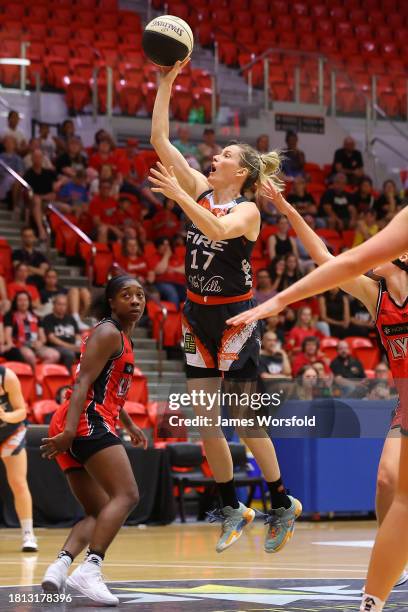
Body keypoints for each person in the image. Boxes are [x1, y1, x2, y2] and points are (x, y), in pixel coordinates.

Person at [226, 184, 408, 611]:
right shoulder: (376, 294)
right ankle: (395, 559)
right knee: (386, 481)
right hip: (405, 400)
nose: (371, 253)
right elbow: (329, 260)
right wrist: (288, 209)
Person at [149, 59, 301, 554]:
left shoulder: (247, 210)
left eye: (224, 155)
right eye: (215, 154)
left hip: (236, 319)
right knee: (204, 418)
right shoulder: (198, 189)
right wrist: (167, 84)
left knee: (243, 415)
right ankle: (231, 505)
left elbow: (215, 230)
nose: (214, 157)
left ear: (241, 171)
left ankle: (281, 502)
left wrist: (180, 194)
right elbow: (159, 142)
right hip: (197, 316)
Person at [40, 275, 147, 604]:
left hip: (87, 418)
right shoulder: (108, 332)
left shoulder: (121, 337)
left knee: (99, 510)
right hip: (85, 420)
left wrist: (128, 423)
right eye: (126, 295)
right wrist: (71, 430)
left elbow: (109, 389)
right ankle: (91, 568)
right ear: (111, 302)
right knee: (127, 495)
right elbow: (84, 381)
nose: (135, 300)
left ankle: (60, 566)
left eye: (140, 295)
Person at [0, 365, 38, 552]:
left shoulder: (7, 376)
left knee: (18, 482)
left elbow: (21, 411)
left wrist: (5, 415)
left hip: (10, 432)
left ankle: (28, 534)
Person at [4, 291, 59, 370]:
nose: (23, 303)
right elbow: (7, 335)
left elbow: (43, 337)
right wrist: (11, 344)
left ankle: (38, 373)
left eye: (25, 300)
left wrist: (40, 342)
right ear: (15, 302)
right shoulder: (10, 316)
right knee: (30, 357)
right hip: (20, 345)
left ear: (29, 302)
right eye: (20, 300)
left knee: (55, 355)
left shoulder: (35, 317)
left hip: (35, 345)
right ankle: (35, 378)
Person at [42, 294, 81, 371]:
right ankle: (68, 378)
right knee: (69, 354)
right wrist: (70, 346)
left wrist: (79, 345)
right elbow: (52, 339)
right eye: (59, 304)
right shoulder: (48, 318)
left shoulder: (71, 318)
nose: (62, 307)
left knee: (89, 354)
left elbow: (77, 335)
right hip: (56, 347)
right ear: (54, 305)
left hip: (72, 346)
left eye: (64, 304)